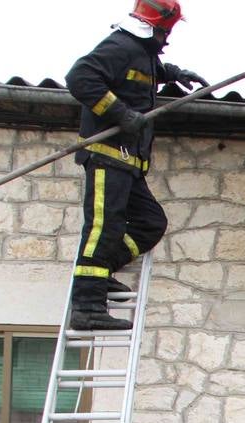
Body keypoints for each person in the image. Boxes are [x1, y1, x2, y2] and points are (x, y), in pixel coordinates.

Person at [64, 0, 205, 330]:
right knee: (102, 228)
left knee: (151, 222)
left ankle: (102, 272)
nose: (167, 39)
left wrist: (175, 73)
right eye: (166, 32)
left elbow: (144, 75)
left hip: (128, 162)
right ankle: (87, 306)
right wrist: (121, 115)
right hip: (106, 155)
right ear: (154, 27)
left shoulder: (144, 55)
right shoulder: (121, 45)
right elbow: (80, 77)